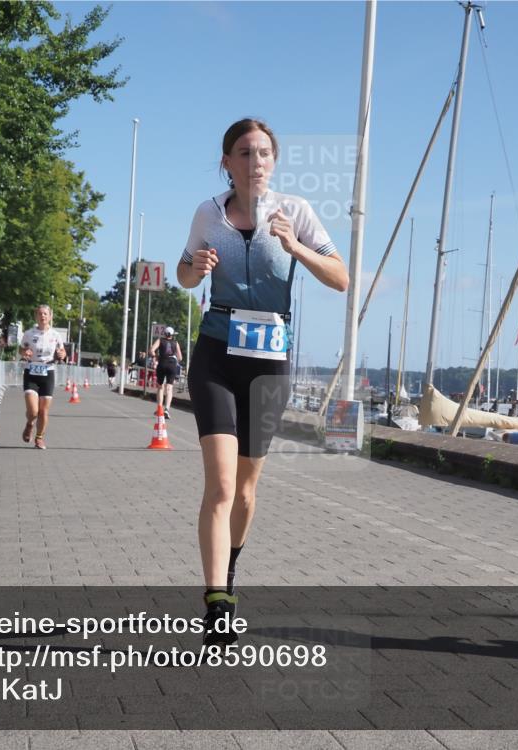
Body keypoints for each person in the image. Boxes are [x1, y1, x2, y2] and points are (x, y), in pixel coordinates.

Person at [176, 118, 348, 646]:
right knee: (222, 484)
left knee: (247, 490)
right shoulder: (208, 214)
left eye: (265, 153)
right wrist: (196, 269)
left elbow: (341, 278)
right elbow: (182, 274)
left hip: (269, 363)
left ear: (274, 162)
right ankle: (216, 601)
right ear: (226, 162)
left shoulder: (294, 212)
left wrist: (296, 247)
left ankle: (229, 572)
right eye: (245, 153)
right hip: (216, 355)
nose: (256, 162)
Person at [19, 305, 67, 450]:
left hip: (48, 371)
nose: (43, 316)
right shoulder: (28, 333)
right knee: (33, 411)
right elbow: (21, 348)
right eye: (40, 314)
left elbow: (62, 351)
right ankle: (29, 425)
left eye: (45, 314)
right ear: (36, 316)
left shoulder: (55, 335)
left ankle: (39, 438)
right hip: (31, 371)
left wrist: (61, 354)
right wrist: (24, 352)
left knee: (43, 411)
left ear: (50, 316)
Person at [150, 327, 182, 418]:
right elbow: (180, 357)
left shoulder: (160, 340)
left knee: (160, 387)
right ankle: (167, 409)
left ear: (164, 334)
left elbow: (152, 350)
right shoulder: (176, 343)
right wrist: (175, 359)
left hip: (162, 363)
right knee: (169, 388)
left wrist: (155, 356)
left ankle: (159, 408)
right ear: (172, 335)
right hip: (172, 365)